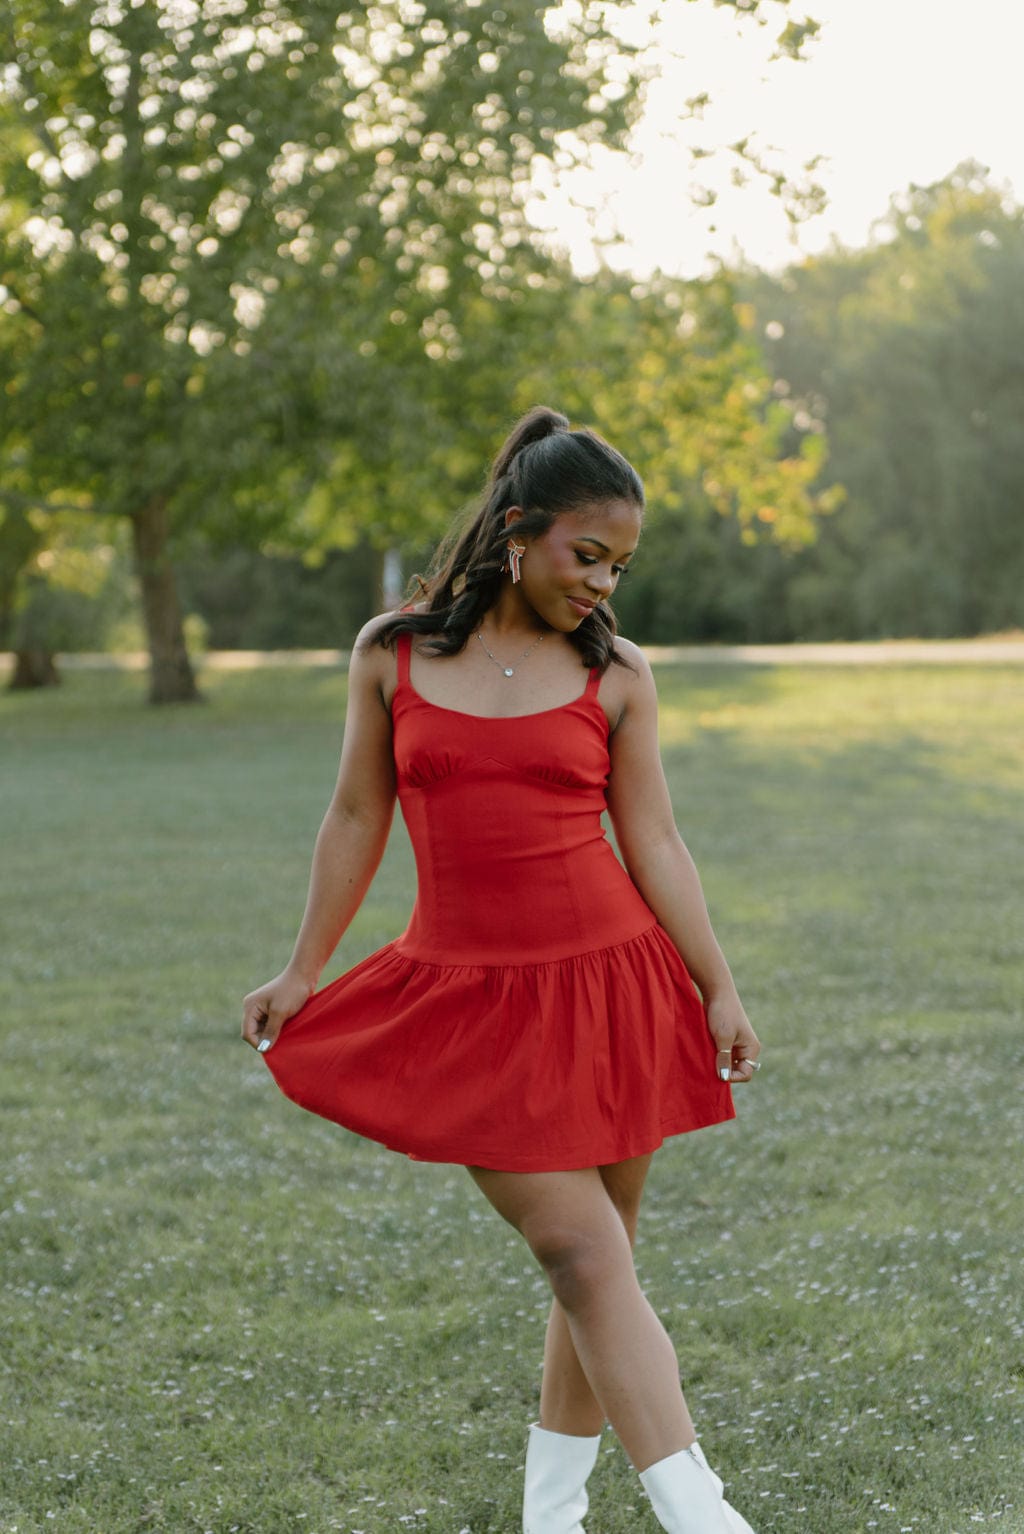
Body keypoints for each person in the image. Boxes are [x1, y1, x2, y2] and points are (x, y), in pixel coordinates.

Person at [241, 406, 762, 1534]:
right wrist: (302, 968)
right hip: (468, 1001)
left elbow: (656, 841)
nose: (603, 584)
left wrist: (716, 982)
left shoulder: (617, 672)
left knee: (598, 1269)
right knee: (580, 1249)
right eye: (588, 556)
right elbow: (352, 814)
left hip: (615, 983)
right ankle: (706, 1517)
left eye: (620, 565)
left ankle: (550, 1514)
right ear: (517, 529)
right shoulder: (394, 651)